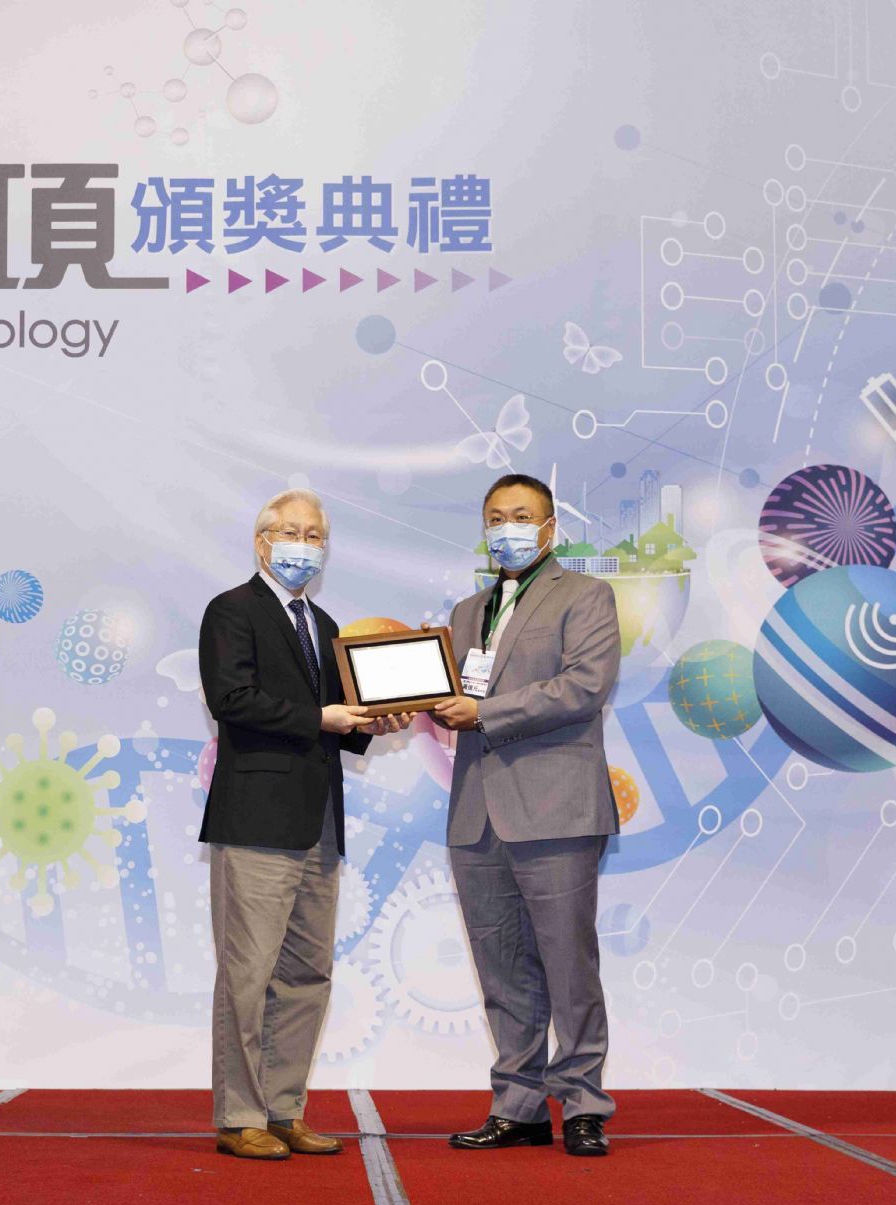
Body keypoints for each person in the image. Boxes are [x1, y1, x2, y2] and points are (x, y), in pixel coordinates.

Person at [198, 489, 410, 1160]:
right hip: (256, 820)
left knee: (307, 974)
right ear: (262, 542)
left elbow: (342, 718)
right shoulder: (232, 610)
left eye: (314, 534)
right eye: (291, 531)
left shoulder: (324, 623)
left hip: (318, 822)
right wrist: (321, 718)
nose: (304, 544)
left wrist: (377, 721)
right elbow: (231, 698)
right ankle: (239, 1116)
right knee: (248, 973)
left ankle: (283, 1108)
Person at [429, 473, 624, 1158]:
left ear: (549, 527)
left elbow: (584, 686)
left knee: (568, 966)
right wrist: (413, 700)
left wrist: (483, 711)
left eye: (520, 516)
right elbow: (449, 695)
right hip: (476, 812)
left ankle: (582, 1104)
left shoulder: (585, 595)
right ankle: (518, 1104)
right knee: (501, 968)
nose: (505, 528)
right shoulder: (466, 611)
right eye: (494, 517)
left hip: (556, 808)